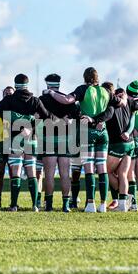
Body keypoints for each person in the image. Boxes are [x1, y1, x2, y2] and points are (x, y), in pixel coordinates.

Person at [46, 68, 125, 213]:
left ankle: (90, 204)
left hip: (87, 132)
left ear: (84, 77)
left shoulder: (83, 89)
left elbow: (67, 100)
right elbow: (121, 103)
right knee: (101, 168)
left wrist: (51, 92)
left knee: (89, 168)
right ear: (97, 78)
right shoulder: (105, 91)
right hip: (103, 133)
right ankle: (103, 204)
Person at [0, 74, 53, 212]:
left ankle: (13, 205)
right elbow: (47, 117)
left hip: (14, 140)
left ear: (15, 84)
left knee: (16, 172)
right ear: (27, 84)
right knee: (31, 173)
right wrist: (31, 126)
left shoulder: (9, 100)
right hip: (31, 139)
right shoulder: (35, 101)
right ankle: (35, 205)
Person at [95, 82, 138, 212]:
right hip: (130, 144)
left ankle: (123, 198)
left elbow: (108, 115)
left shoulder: (111, 103)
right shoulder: (129, 102)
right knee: (123, 174)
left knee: (104, 171)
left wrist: (98, 120)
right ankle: (124, 204)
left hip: (117, 144)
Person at [40, 74, 80, 212]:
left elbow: (37, 119)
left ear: (47, 84)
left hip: (48, 139)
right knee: (64, 173)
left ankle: (49, 205)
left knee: (49, 174)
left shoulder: (42, 99)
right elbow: (76, 117)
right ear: (59, 84)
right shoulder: (67, 99)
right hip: (65, 139)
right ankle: (65, 205)